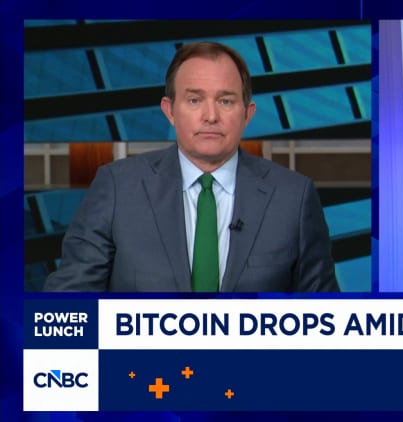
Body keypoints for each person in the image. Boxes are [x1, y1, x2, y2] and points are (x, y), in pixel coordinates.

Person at [44, 42, 339, 292]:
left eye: (226, 101)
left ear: (247, 114)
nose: (210, 116)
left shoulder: (294, 198)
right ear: (170, 111)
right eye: (195, 100)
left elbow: (326, 322)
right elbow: (68, 306)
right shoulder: (118, 187)